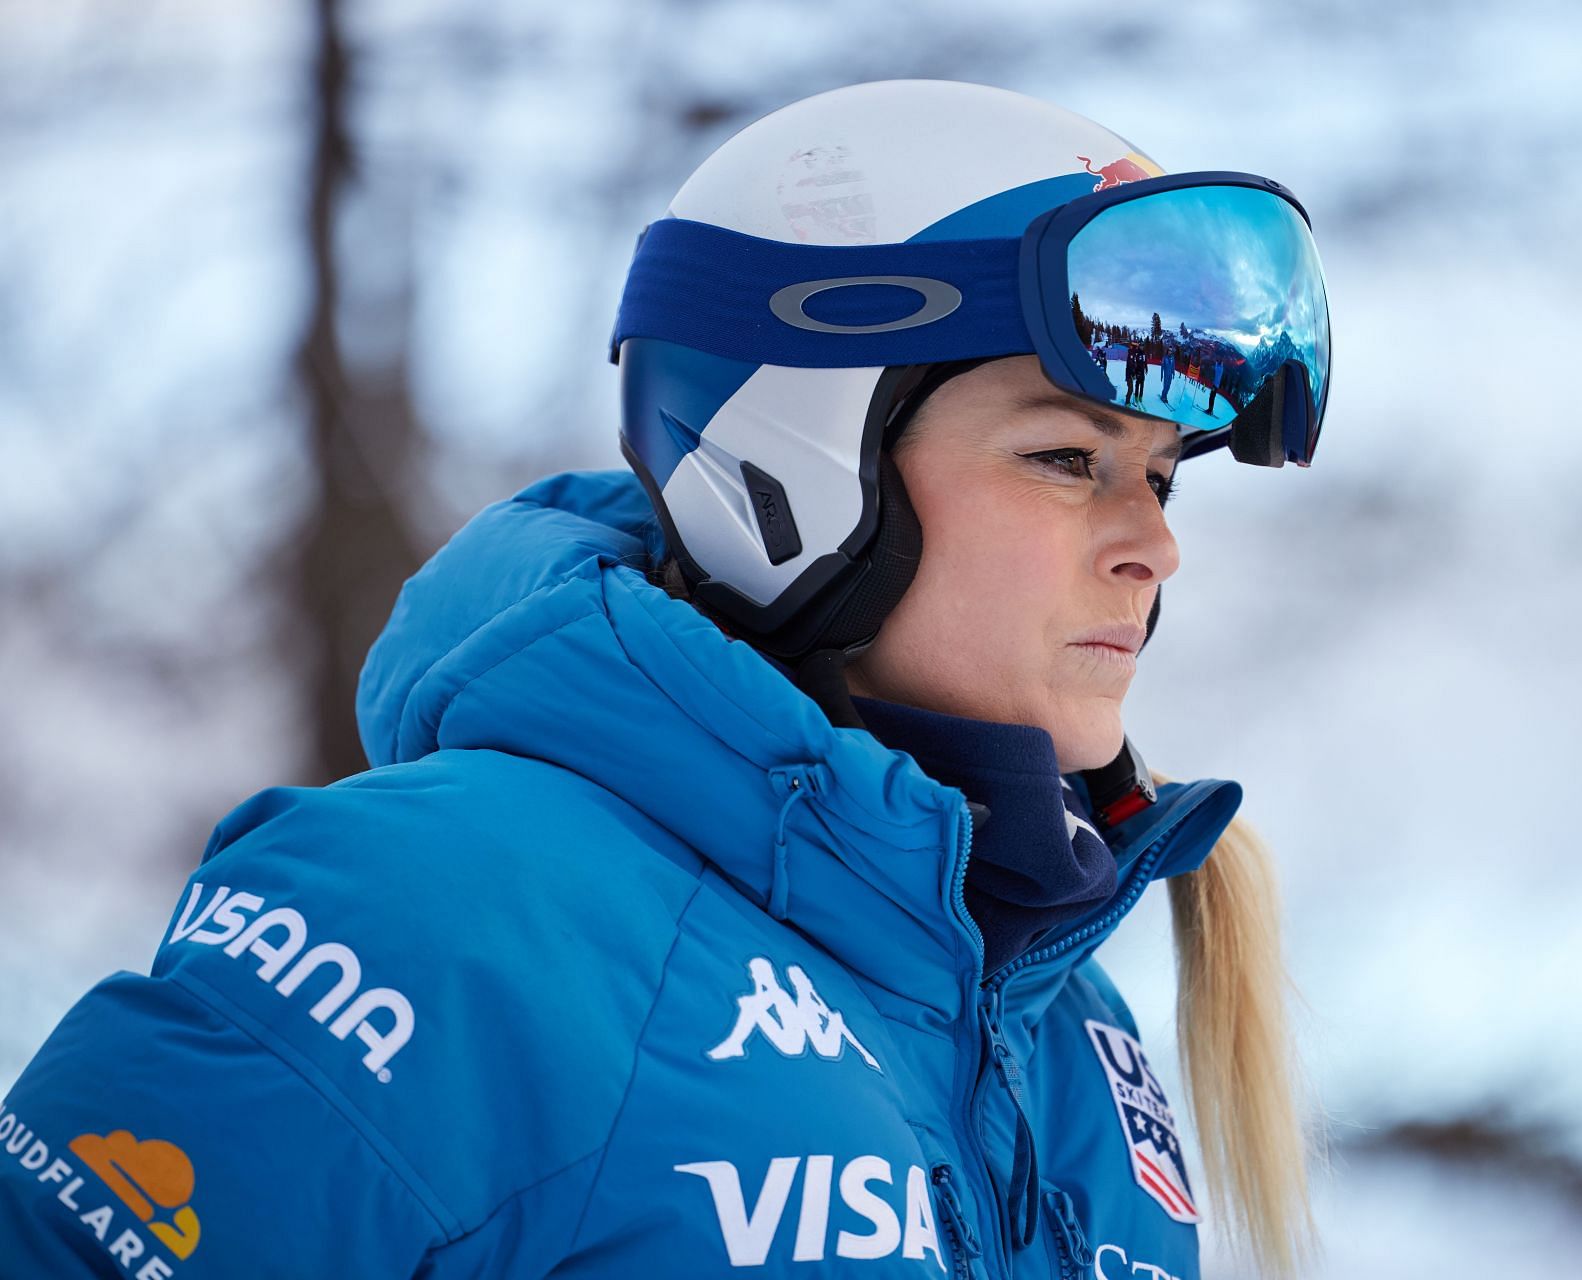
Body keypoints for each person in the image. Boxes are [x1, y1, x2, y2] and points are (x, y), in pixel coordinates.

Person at [0, 80, 1330, 1277]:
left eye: (1160, 476)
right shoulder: (438, 916)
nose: (1154, 544)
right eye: (1064, 459)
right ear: (798, 463)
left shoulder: (1066, 1031)